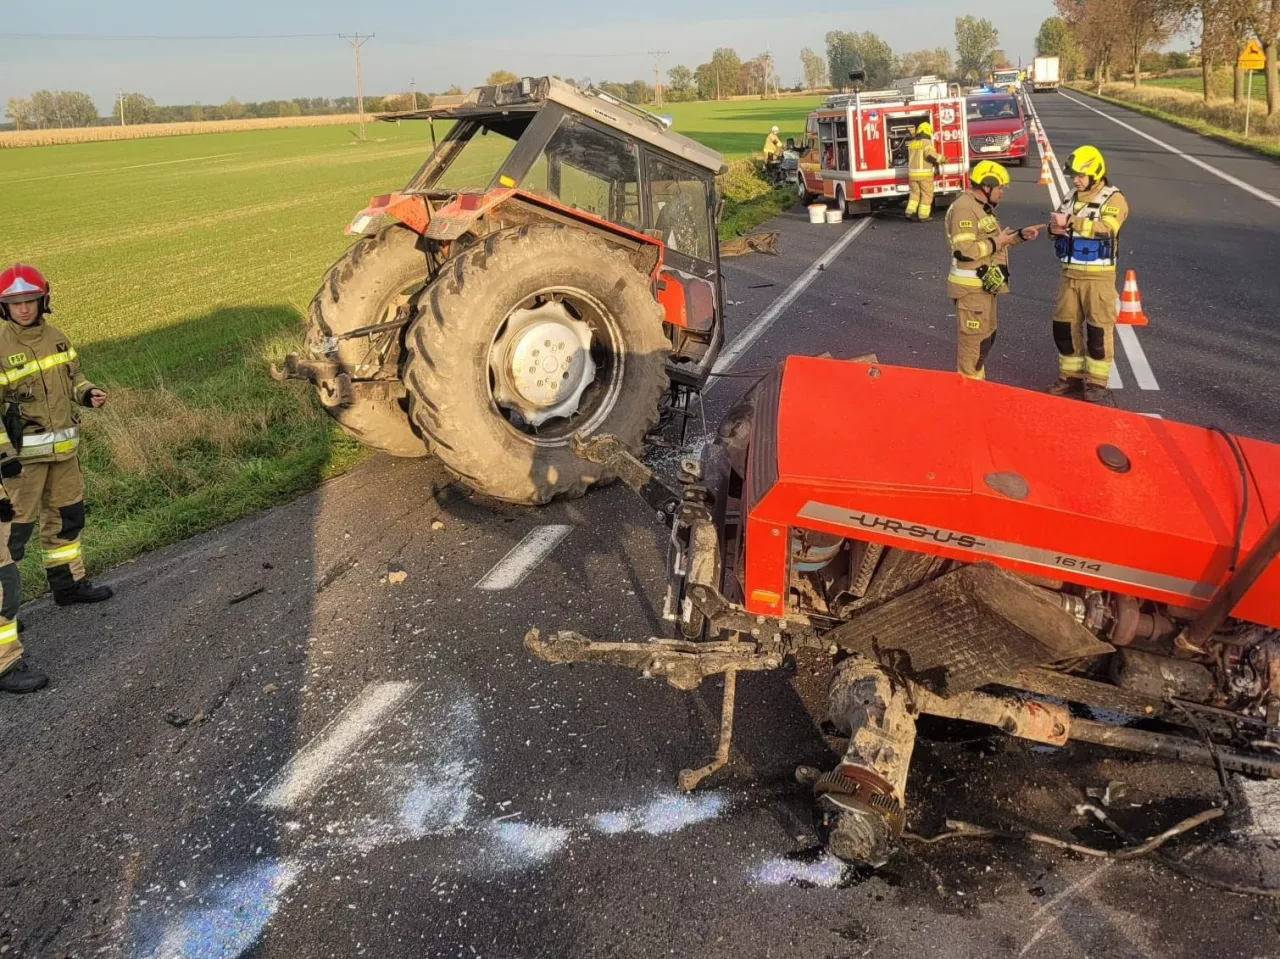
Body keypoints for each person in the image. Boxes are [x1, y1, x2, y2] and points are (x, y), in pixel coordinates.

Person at [0, 264, 114, 609]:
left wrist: (87, 392)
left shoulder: (58, 337)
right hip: (20, 466)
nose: (23, 308)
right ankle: (5, 613)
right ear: (3, 307)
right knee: (12, 538)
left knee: (66, 520)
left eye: (30, 300)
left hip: (63, 455)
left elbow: (74, 378)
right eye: (15, 303)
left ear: (43, 300)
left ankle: (69, 586)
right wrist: (5, 457)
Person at [944, 161, 1043, 380]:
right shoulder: (964, 208)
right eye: (1000, 187)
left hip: (984, 290)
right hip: (971, 294)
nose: (1002, 192)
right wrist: (997, 241)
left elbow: (991, 244)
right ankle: (969, 397)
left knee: (984, 343)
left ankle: (977, 391)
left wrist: (1019, 236)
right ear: (987, 186)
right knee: (972, 349)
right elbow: (964, 250)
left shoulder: (980, 208)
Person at [1047, 146, 1130, 402]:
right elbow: (1058, 226)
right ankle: (1070, 378)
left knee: (1098, 332)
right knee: (1064, 327)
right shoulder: (1071, 195)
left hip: (1098, 278)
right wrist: (1054, 229)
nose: (1075, 180)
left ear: (1095, 173)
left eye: (1080, 176)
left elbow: (1108, 229)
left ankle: (1096, 384)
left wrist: (1071, 222)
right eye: (1073, 176)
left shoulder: (1113, 199)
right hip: (1069, 275)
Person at [905, 121, 943, 222]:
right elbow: (930, 156)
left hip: (912, 175)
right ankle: (923, 216)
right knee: (926, 194)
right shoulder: (926, 142)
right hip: (924, 175)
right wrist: (942, 158)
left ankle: (910, 212)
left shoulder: (913, 143)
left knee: (914, 194)